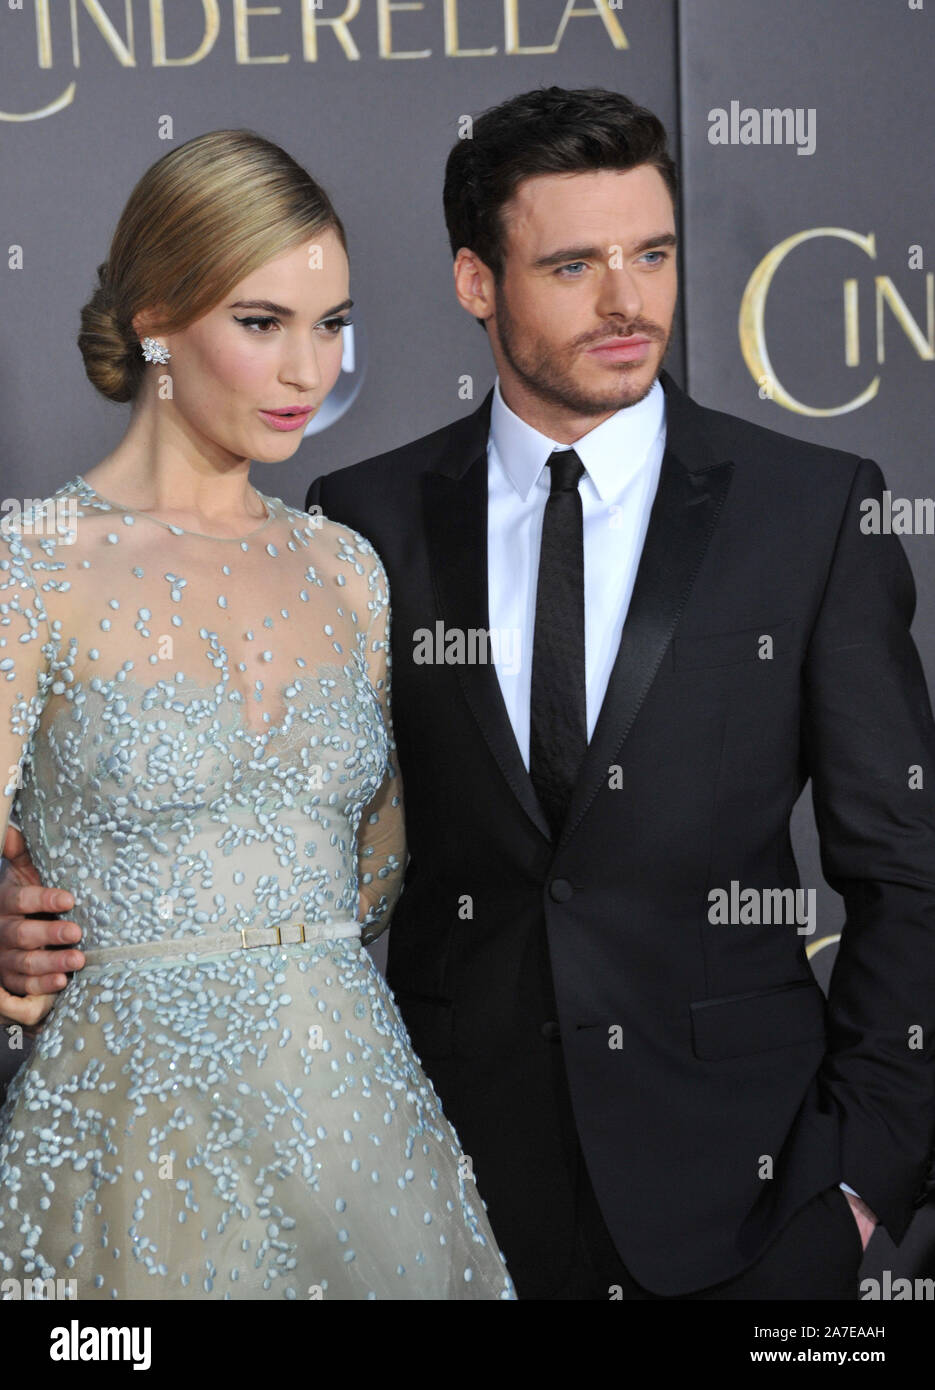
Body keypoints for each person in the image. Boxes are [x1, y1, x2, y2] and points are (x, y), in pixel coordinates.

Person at [5, 86, 935, 1302]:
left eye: (650, 253)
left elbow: (904, 868)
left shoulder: (807, 510)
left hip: (745, 1201)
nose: (626, 300)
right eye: (570, 263)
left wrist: (859, 1190)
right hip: (451, 1170)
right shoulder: (368, 522)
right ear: (474, 282)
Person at [0, 129, 515, 1300]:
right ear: (154, 319)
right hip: (133, 1137)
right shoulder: (32, 566)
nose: (310, 372)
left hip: (360, 1128)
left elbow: (375, 870)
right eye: (261, 323)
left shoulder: (347, 569)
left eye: (331, 324)